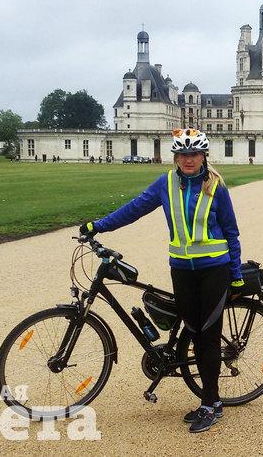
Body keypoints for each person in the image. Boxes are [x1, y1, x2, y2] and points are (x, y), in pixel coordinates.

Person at [78, 128, 243, 434]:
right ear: (176, 158)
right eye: (183, 154)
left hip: (214, 269)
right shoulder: (165, 183)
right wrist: (98, 225)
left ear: (203, 156)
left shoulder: (216, 186)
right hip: (181, 269)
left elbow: (231, 231)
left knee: (207, 335)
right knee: (192, 330)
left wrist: (235, 275)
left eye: (194, 154)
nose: (188, 160)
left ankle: (211, 404)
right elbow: (134, 209)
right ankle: (210, 399)